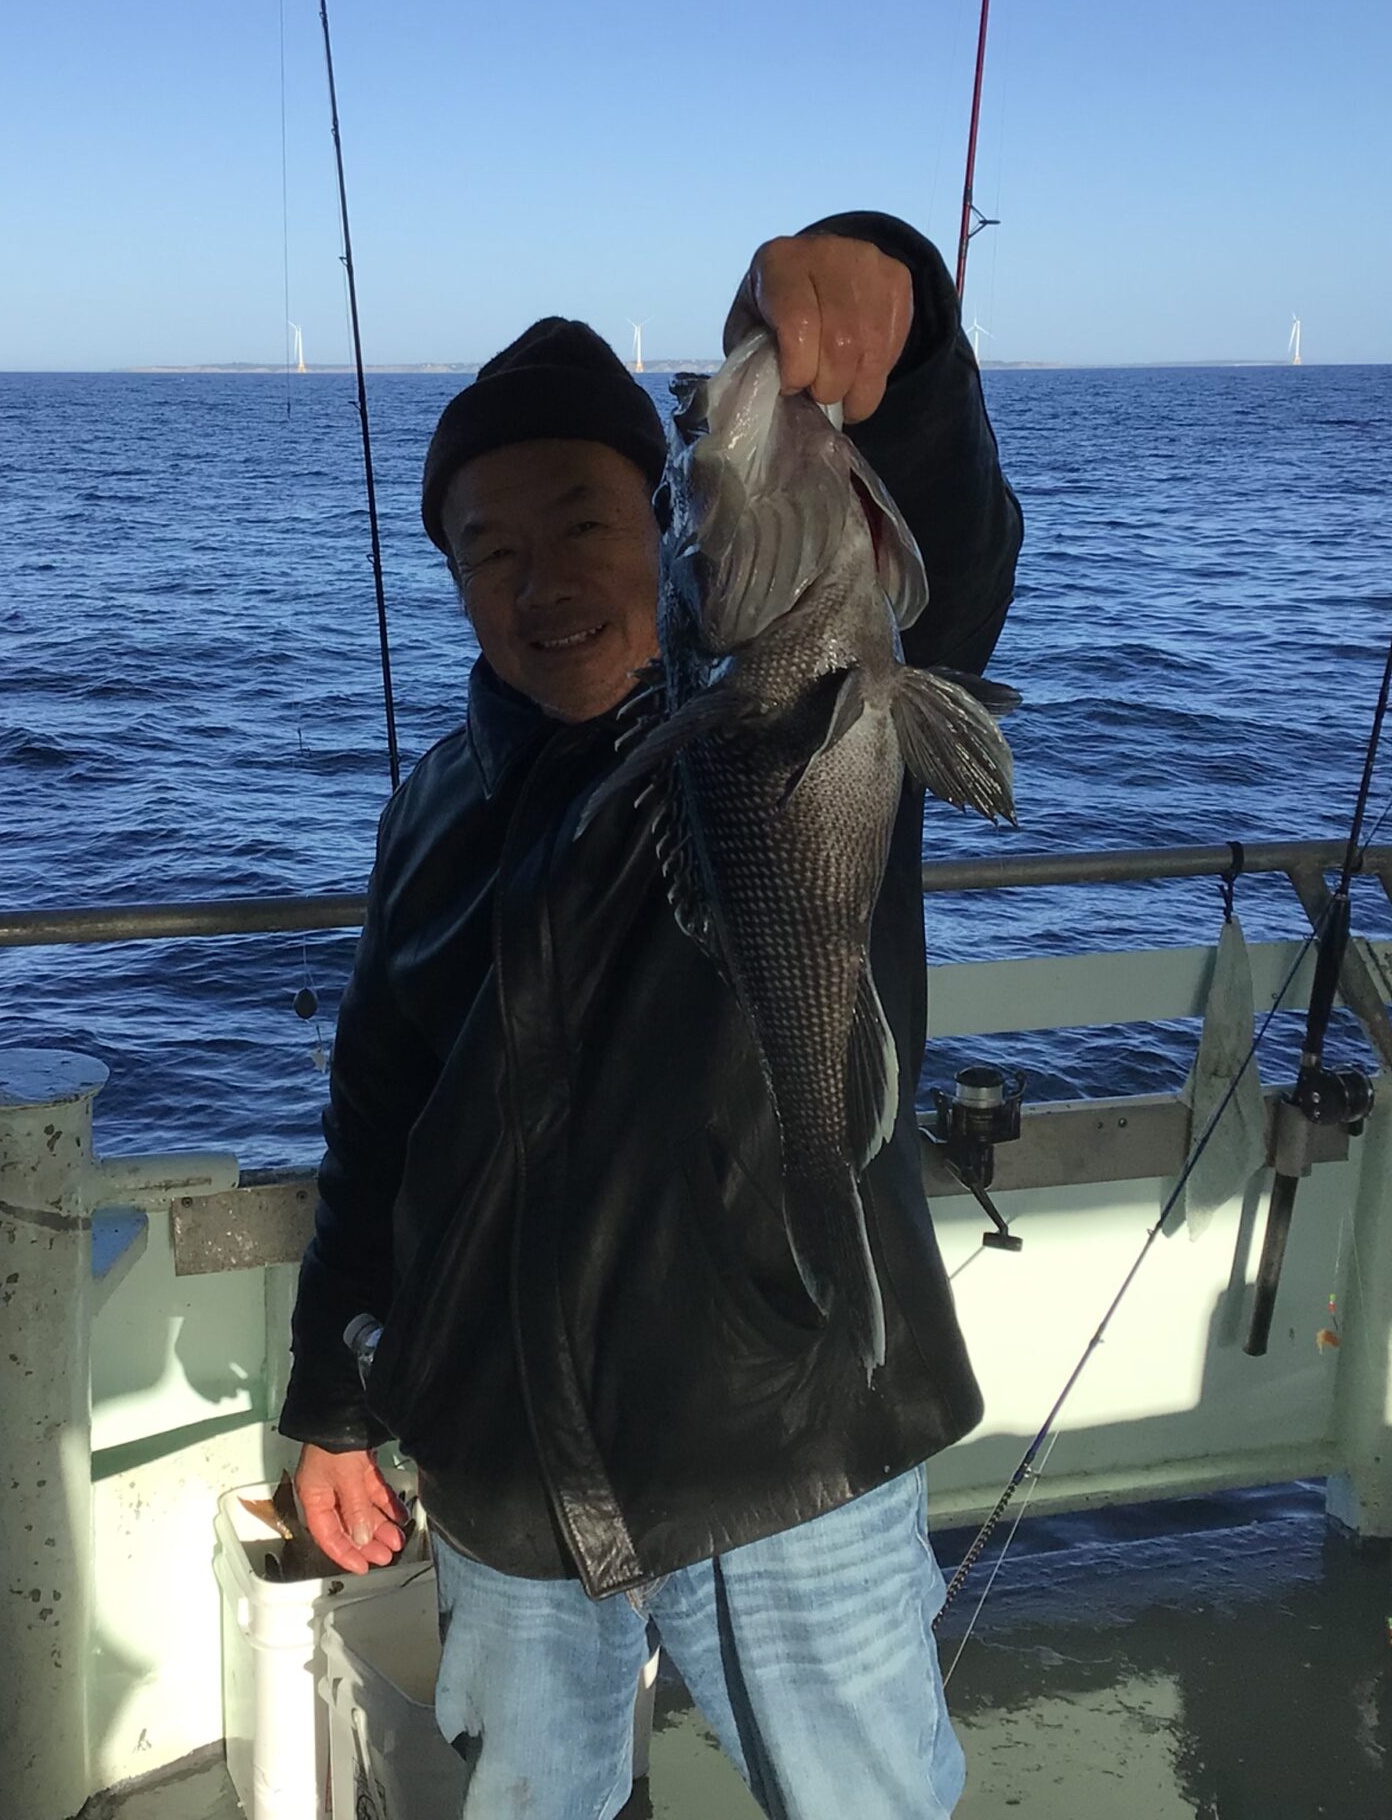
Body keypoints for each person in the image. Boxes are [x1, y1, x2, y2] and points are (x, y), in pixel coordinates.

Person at [276, 215, 1023, 1819]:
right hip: (497, 1461)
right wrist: (335, 1402)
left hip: (773, 1438)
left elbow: (950, 548)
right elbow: (376, 1111)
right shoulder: (433, 810)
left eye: (585, 522)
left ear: (669, 530)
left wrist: (900, 308)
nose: (543, 582)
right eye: (490, 548)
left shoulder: (789, 705)